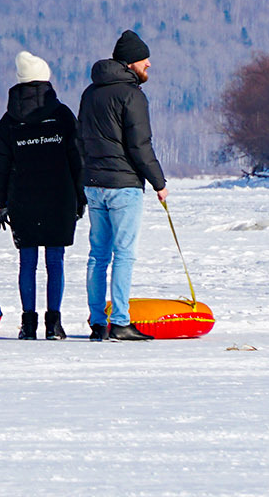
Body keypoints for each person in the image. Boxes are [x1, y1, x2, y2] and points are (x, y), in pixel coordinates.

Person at [77, 30, 168, 342]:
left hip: (94, 184)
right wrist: (159, 182)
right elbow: (140, 145)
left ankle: (96, 321)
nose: (149, 65)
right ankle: (119, 321)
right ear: (131, 63)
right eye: (145, 60)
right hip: (124, 185)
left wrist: (83, 179)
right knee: (124, 254)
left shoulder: (90, 93)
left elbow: (81, 141)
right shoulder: (132, 96)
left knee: (98, 254)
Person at [0, 50, 84, 340]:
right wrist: (80, 197)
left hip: (22, 199)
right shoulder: (62, 116)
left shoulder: (8, 121)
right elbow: (77, 158)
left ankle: (28, 324)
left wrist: (1, 202)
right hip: (60, 197)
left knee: (27, 263)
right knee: (55, 261)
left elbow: (0, 165)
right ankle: (54, 324)